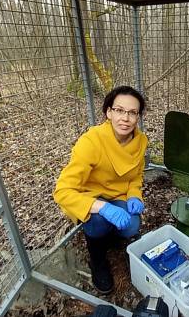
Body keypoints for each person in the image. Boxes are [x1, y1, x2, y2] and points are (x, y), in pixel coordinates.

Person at [54, 86, 148, 295]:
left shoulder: (140, 142)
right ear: (109, 112)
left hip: (119, 195)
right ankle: (97, 258)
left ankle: (110, 237)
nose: (125, 118)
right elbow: (62, 190)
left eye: (132, 112)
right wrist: (103, 208)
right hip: (91, 196)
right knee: (98, 222)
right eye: (119, 110)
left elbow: (135, 177)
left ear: (138, 116)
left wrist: (134, 195)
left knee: (132, 225)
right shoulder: (92, 141)